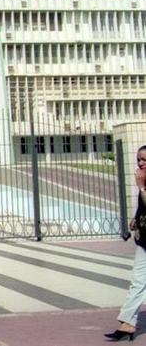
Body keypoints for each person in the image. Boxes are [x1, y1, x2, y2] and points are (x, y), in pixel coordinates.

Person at [105, 145, 146, 341]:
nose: (140, 163)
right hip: (144, 241)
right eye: (138, 159)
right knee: (137, 281)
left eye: (144, 160)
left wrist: (141, 187)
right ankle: (128, 323)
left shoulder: (142, 183)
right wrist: (135, 219)